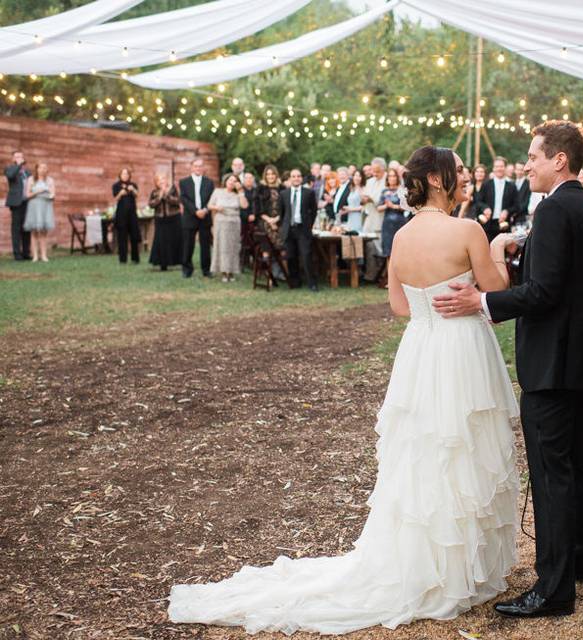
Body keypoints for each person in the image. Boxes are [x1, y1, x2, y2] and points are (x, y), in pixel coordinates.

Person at [168, 145, 519, 635]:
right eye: (457, 171)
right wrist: (500, 250)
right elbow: (495, 286)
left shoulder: (401, 237)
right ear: (437, 181)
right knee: (461, 445)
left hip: (420, 350)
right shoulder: (468, 231)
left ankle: (434, 560)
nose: (465, 177)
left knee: (425, 451)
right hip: (460, 348)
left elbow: (400, 306)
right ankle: (461, 564)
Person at [434, 120, 583, 620]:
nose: (527, 164)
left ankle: (554, 589)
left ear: (560, 159)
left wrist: (484, 300)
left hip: (552, 363)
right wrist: (530, 256)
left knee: (552, 470)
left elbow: (544, 293)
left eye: (534, 156)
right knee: (581, 458)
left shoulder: (556, 209)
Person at [280, 168, 319, 291]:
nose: (296, 178)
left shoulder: (309, 193)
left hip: (303, 229)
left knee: (306, 255)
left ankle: (311, 283)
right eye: (293, 176)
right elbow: (282, 213)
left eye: (298, 176)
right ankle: (295, 282)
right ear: (290, 178)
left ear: (301, 178)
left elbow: (314, 211)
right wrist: (285, 226)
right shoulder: (284, 194)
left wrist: (308, 225)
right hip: (289, 229)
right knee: (291, 256)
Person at [179, 158, 215, 278]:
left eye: (200, 166)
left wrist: (204, 210)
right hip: (190, 217)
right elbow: (184, 199)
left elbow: (211, 199)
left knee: (205, 245)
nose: (198, 168)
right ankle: (187, 269)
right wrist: (195, 211)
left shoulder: (209, 182)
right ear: (192, 167)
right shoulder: (184, 182)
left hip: (205, 216)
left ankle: (206, 269)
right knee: (188, 244)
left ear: (203, 168)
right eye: (196, 166)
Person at [209, 173, 247, 283]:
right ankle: (224, 272)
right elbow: (209, 205)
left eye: (235, 181)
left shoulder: (238, 194)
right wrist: (217, 207)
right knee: (222, 247)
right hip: (221, 221)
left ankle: (232, 271)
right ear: (225, 181)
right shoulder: (217, 192)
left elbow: (244, 206)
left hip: (234, 222)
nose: (232, 182)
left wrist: (240, 192)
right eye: (230, 180)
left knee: (233, 247)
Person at [477, 157, 518, 242]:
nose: (499, 169)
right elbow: (478, 202)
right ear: (493, 168)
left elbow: (517, 206)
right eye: (497, 166)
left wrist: (507, 211)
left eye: (501, 166)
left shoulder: (512, 186)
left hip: (504, 225)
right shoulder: (486, 185)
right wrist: (485, 208)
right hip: (487, 225)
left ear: (505, 168)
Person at [148, 173, 182, 271]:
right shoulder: (154, 192)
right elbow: (151, 204)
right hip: (160, 219)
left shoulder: (172, 189)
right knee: (161, 241)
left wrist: (166, 195)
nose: (162, 182)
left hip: (173, 218)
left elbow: (177, 201)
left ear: (166, 180)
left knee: (174, 240)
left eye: (163, 179)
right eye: (159, 181)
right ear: (156, 183)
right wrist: (159, 197)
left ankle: (177, 261)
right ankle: (163, 264)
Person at [23, 162, 55, 262]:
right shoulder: (31, 179)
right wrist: (38, 191)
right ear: (37, 169)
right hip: (34, 206)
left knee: (44, 232)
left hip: (46, 206)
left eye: (45, 167)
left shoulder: (50, 180)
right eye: (40, 167)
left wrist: (51, 195)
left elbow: (53, 193)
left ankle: (44, 255)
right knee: (34, 232)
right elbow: (27, 195)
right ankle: (35, 256)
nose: (42, 169)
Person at [4, 150, 31, 260]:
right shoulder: (9, 169)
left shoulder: (27, 172)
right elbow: (10, 176)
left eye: (21, 156)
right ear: (13, 159)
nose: (19, 158)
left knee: (26, 228)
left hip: (27, 202)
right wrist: (19, 165)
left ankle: (26, 253)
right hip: (16, 203)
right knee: (16, 229)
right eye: (17, 156)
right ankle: (17, 253)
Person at [112, 167, 141, 264]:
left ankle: (135, 258)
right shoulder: (116, 186)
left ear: (129, 175)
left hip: (132, 214)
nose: (125, 176)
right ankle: (123, 259)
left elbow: (137, 195)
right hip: (121, 215)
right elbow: (115, 198)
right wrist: (121, 193)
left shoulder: (133, 185)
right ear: (120, 175)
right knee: (122, 237)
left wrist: (133, 190)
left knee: (134, 236)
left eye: (127, 174)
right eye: (123, 174)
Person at [378, 168, 407, 259]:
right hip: (387, 224)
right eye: (390, 176)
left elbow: (406, 207)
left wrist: (393, 206)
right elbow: (379, 208)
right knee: (388, 252)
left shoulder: (401, 190)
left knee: (400, 252)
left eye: (394, 176)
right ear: (387, 178)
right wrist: (387, 206)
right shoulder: (384, 191)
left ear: (397, 178)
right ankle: (389, 273)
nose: (392, 178)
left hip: (400, 223)